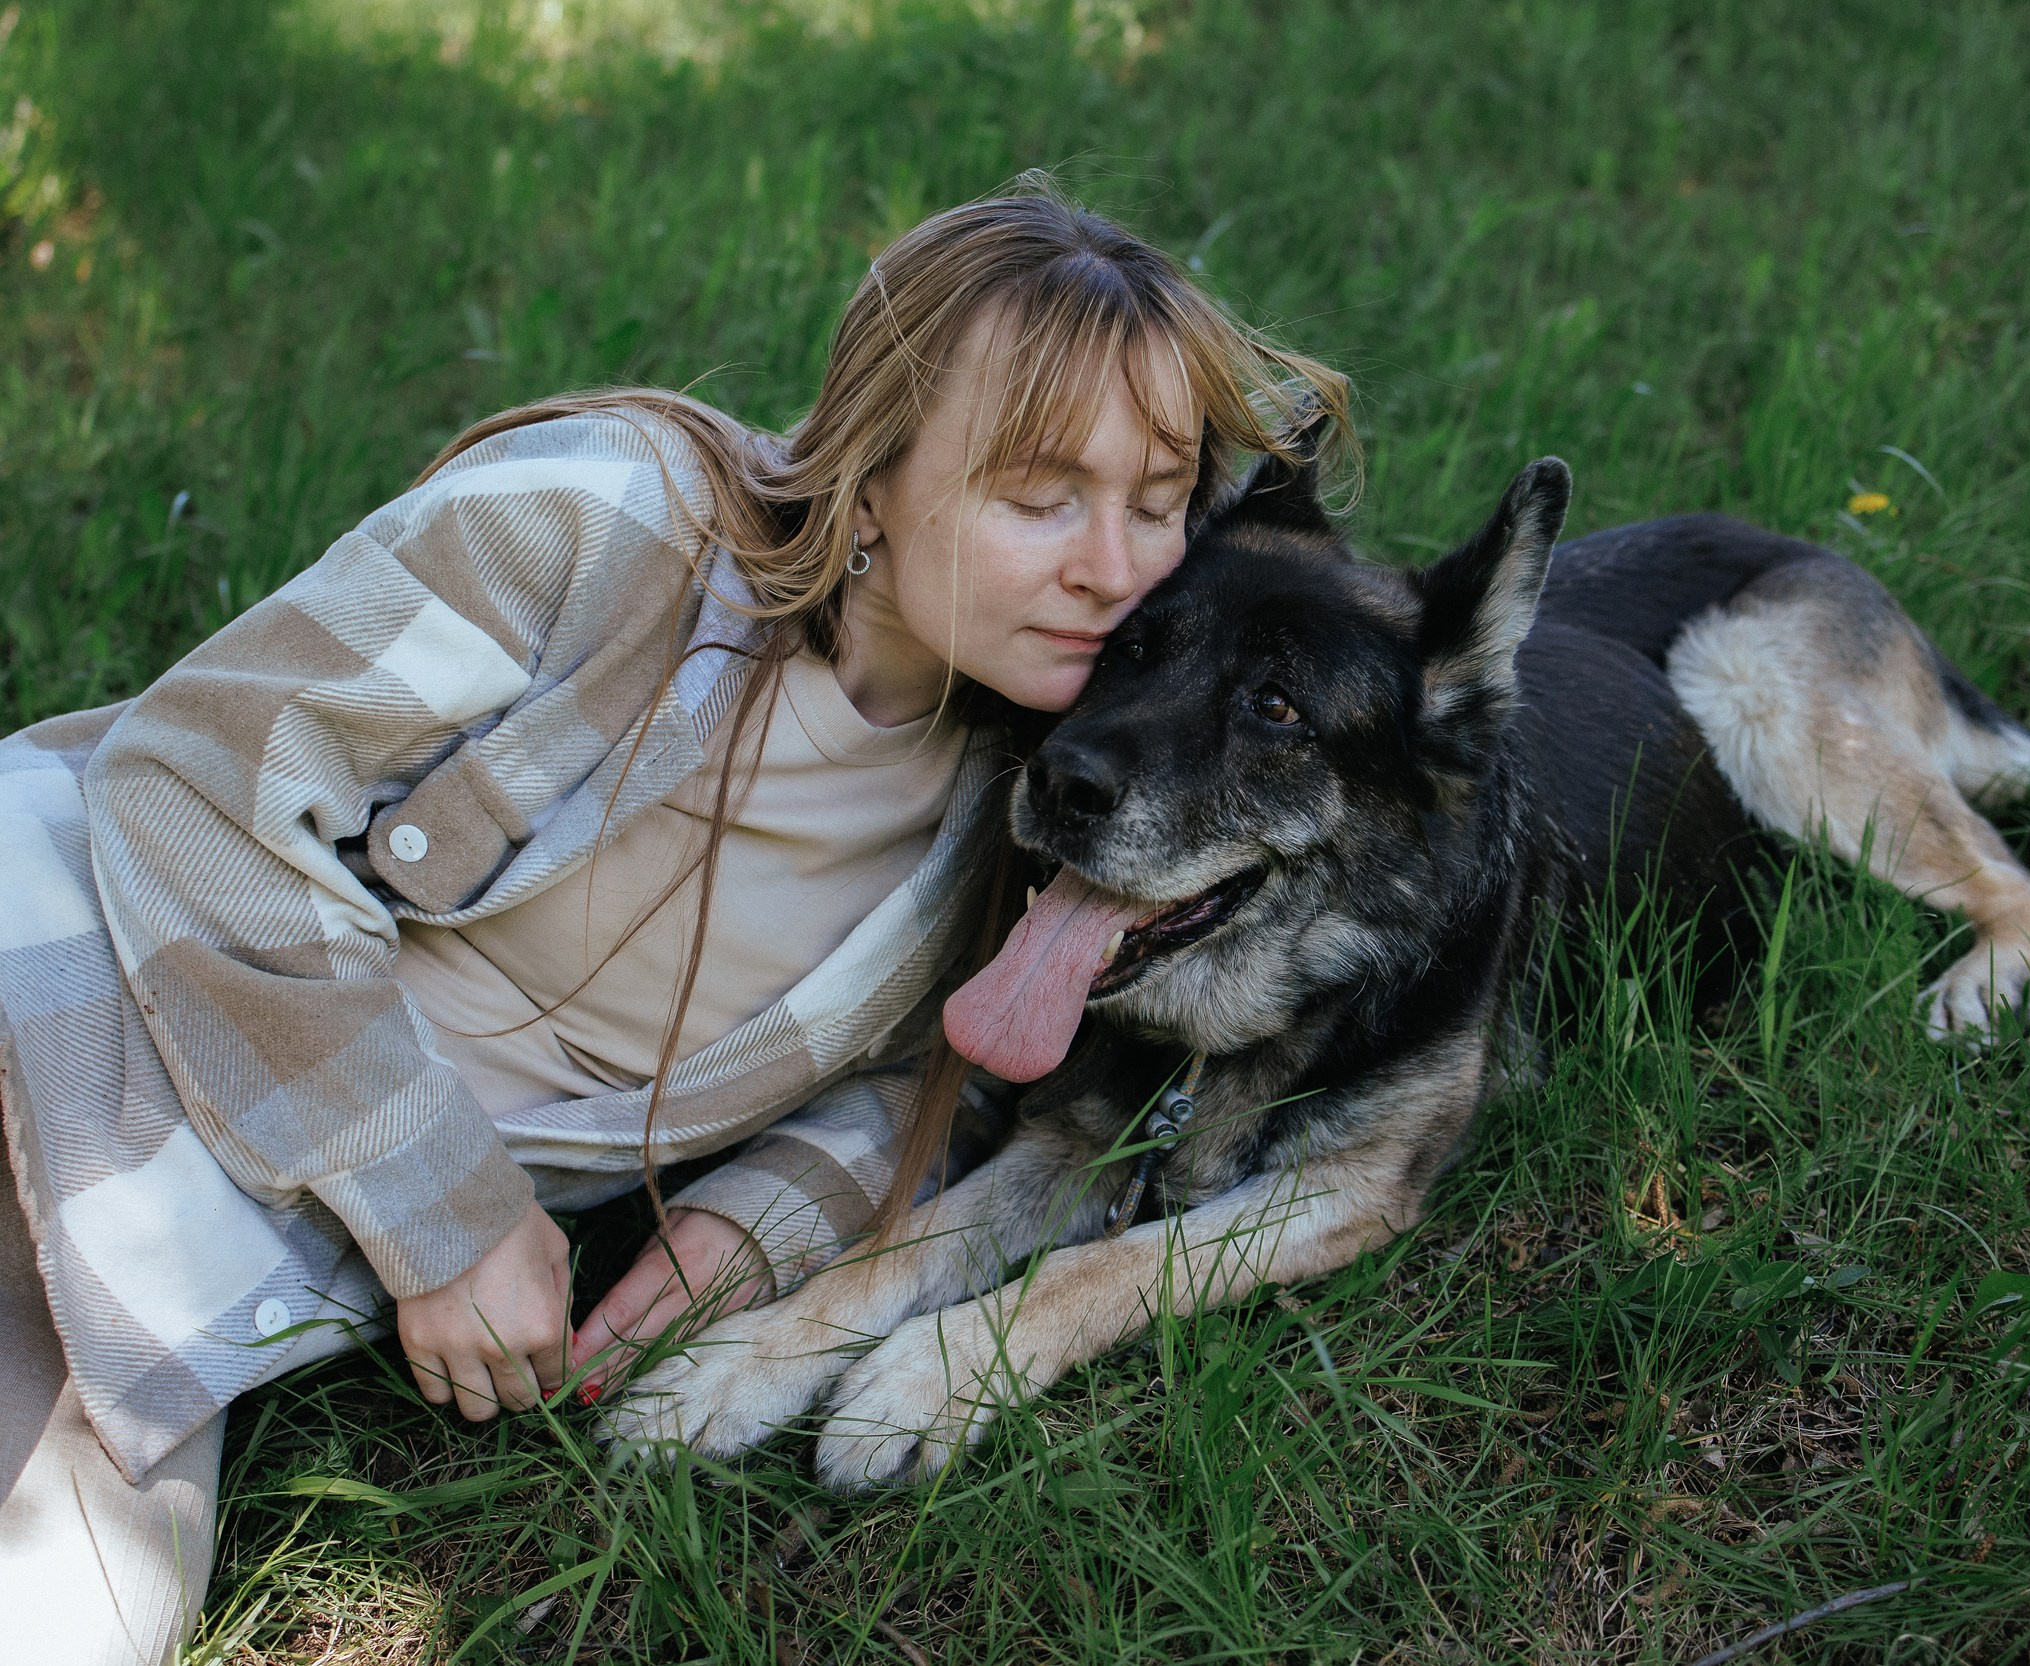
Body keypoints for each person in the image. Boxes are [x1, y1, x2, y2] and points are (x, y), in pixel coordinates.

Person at [0, 176, 1349, 1664]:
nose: (1114, 567)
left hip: (188, 1242)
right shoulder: (612, 521)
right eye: (1041, 499)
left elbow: (922, 1084)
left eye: (1159, 507)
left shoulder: (1039, 782)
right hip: (62, 979)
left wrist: (739, 1226)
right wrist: (445, 1217)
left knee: (85, 1618)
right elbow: (194, 783)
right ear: (872, 469)